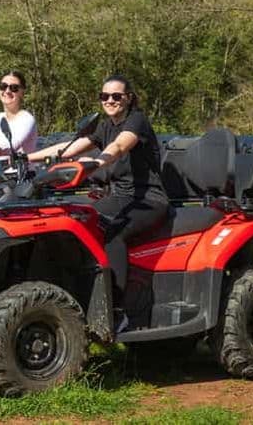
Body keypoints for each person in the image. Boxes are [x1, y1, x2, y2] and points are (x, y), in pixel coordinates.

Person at [28, 74, 169, 330]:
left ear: (129, 98)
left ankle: (117, 310)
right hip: (118, 196)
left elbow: (120, 145)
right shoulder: (105, 126)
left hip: (147, 198)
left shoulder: (136, 120)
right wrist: (26, 157)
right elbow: (69, 148)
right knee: (74, 221)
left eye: (116, 96)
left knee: (111, 231)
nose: (110, 100)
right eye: (104, 96)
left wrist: (97, 161)